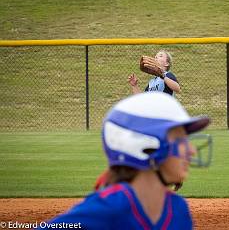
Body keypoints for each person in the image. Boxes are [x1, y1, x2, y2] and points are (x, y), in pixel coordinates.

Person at [39, 92, 210, 230]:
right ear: (146, 145)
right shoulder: (106, 210)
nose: (192, 150)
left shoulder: (178, 210)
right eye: (180, 140)